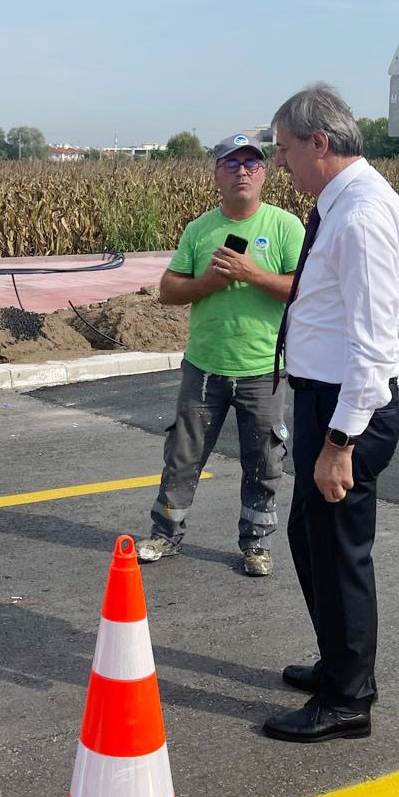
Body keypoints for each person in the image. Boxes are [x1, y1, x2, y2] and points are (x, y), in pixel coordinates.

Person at [263, 83, 399, 743]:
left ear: (318, 143)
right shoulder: (342, 204)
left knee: (340, 552)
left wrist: (340, 441)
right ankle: (336, 662)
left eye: (285, 150)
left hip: (345, 412)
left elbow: (376, 342)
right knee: (310, 538)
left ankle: (350, 697)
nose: (280, 165)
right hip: (324, 400)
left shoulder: (361, 215)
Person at [135, 135, 305, 576]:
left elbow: (303, 288)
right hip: (205, 367)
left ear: (264, 174)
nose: (243, 172)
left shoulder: (286, 227)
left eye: (252, 164)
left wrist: (252, 273)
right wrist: (206, 284)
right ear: (216, 175)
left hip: (263, 369)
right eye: (232, 165)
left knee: (265, 461)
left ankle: (257, 544)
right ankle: (165, 533)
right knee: (183, 455)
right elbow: (168, 291)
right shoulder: (200, 230)